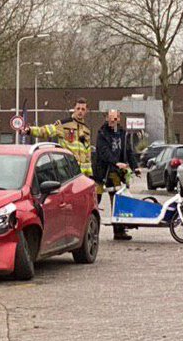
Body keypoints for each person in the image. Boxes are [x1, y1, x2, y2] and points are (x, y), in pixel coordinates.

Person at [94, 109, 140, 240]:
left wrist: (135, 167)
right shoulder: (102, 133)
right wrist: (116, 162)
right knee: (95, 200)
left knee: (117, 200)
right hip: (102, 173)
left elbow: (129, 151)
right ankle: (91, 231)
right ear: (107, 118)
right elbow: (104, 152)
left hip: (115, 173)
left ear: (119, 119)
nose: (113, 121)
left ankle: (119, 231)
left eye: (115, 118)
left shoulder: (122, 134)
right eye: (111, 118)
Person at [29, 97, 93, 178]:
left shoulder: (86, 130)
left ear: (86, 111)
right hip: (67, 171)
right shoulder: (63, 124)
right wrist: (29, 130)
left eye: (83, 109)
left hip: (81, 175)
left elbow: (87, 153)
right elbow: (45, 131)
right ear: (74, 109)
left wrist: (89, 176)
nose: (80, 111)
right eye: (78, 108)